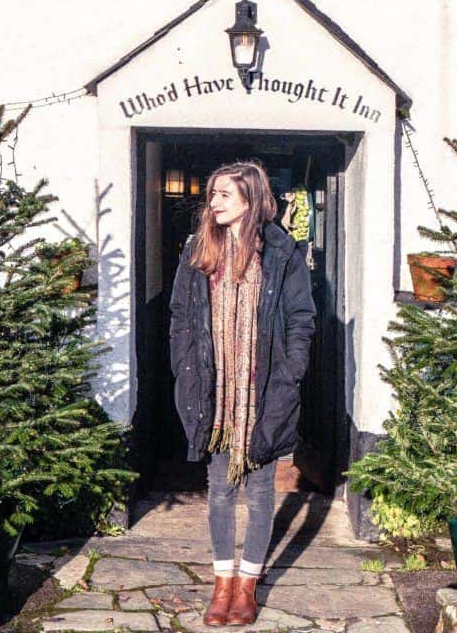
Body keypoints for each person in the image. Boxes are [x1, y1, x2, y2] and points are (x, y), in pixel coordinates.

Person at [169, 161, 315, 627]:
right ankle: (221, 582)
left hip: (263, 387)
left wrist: (290, 373)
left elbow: (300, 319)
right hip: (213, 387)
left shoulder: (281, 253)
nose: (213, 202)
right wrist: (184, 367)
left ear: (250, 199)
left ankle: (248, 584)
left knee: (259, 491)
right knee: (218, 491)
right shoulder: (197, 249)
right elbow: (179, 316)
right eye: (213, 194)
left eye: (224, 195)